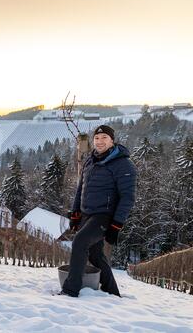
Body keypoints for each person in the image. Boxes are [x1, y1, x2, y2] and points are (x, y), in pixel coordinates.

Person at [61, 125, 137, 297]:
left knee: (80, 242)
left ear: (112, 140)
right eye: (97, 138)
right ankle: (113, 292)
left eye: (104, 138)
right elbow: (81, 189)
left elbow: (127, 198)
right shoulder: (90, 160)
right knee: (95, 255)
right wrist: (75, 214)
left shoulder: (123, 164)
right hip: (87, 214)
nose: (100, 141)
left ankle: (70, 290)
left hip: (104, 216)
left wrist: (116, 225)